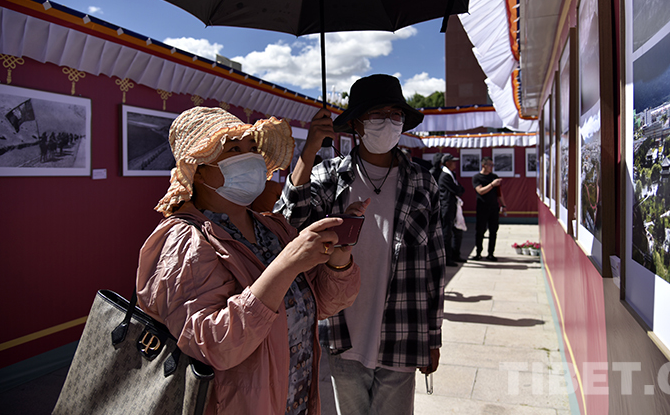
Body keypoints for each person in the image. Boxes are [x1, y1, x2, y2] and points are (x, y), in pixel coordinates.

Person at [135, 106, 360, 415]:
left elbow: (320, 305)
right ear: (199, 170)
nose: (251, 157)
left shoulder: (272, 227)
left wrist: (338, 259)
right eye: (233, 150)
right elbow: (213, 344)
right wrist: (285, 265)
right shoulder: (187, 241)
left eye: (252, 147)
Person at [274, 74, 445, 415]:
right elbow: (287, 222)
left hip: (403, 332)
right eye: (376, 114)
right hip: (343, 332)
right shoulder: (328, 177)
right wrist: (309, 152)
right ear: (355, 124)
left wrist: (433, 335)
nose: (388, 122)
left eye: (395, 114)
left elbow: (435, 266)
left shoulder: (423, 183)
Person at [471, 156, 507, 261]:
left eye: (492, 165)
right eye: (490, 165)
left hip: (494, 208)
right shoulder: (477, 177)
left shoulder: (494, 177)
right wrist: (492, 184)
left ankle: (491, 253)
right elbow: (480, 191)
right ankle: (478, 253)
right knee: (480, 231)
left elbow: (499, 193)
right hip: (482, 208)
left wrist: (503, 205)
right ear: (484, 165)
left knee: (493, 231)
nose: (492, 167)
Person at [438, 153, 465, 267]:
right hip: (447, 207)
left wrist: (459, 189)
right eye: (452, 161)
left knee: (457, 231)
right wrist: (459, 189)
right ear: (447, 163)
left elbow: (460, 189)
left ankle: (455, 254)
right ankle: (447, 258)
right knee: (447, 233)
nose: (455, 163)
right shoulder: (445, 176)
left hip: (453, 206)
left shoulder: (451, 174)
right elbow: (457, 189)